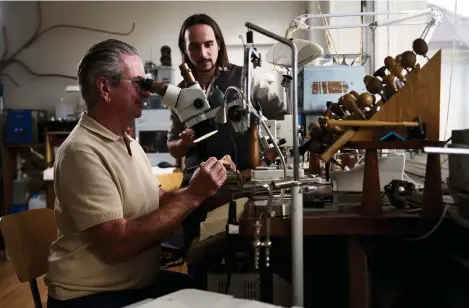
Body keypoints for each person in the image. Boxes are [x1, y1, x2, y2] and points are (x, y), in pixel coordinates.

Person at [44, 39, 233, 308]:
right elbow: (118, 246)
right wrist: (194, 193)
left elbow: (161, 200)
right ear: (105, 88)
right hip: (93, 296)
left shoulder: (128, 143)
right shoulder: (81, 152)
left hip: (136, 284)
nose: (147, 92)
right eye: (138, 83)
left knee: (214, 294)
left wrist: (209, 182)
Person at [167, 14, 287, 281]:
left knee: (247, 265)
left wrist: (266, 159)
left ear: (219, 44)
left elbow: (281, 116)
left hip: (244, 186)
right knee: (200, 266)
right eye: (194, 46)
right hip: (198, 193)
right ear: (185, 50)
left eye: (209, 44)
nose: (203, 52)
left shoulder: (245, 80)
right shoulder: (179, 93)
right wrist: (183, 143)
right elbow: (172, 147)